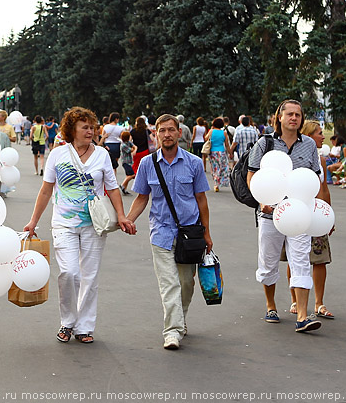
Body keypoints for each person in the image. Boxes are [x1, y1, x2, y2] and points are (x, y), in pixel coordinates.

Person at [23, 107, 135, 345]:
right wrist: (33, 221)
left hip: (94, 224)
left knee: (90, 276)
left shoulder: (102, 155)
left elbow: (112, 187)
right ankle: (67, 321)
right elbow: (46, 190)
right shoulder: (58, 154)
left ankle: (84, 326)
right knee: (69, 273)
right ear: (72, 129)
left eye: (92, 127)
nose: (90, 131)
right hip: (63, 223)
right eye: (85, 127)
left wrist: (122, 216)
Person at [126, 114, 212, 350]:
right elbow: (142, 197)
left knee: (186, 283)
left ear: (179, 132)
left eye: (171, 130)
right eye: (162, 131)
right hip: (161, 232)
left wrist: (206, 233)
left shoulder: (193, 163)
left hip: (190, 234)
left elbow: (201, 200)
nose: (166, 134)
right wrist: (128, 219)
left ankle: (180, 320)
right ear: (155, 134)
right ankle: (172, 331)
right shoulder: (147, 164)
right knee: (169, 284)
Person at [247, 99, 325, 333]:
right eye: (289, 114)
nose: (294, 118)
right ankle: (271, 305)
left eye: (298, 115)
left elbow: (315, 179)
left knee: (301, 262)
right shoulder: (265, 143)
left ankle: (302, 315)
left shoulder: (309, 145)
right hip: (270, 214)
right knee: (268, 262)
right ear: (279, 117)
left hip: (299, 214)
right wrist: (263, 201)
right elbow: (252, 176)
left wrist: (318, 206)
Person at [283, 120, 335, 320]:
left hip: (317, 215)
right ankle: (296, 299)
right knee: (296, 258)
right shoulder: (295, 159)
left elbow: (324, 189)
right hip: (297, 214)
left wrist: (327, 215)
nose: (323, 137)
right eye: (319, 133)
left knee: (320, 259)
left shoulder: (321, 161)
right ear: (308, 136)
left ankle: (319, 303)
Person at [206, 117, 232, 191]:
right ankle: (220, 181)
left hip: (212, 152)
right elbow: (227, 145)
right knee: (221, 167)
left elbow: (205, 138)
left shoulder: (211, 131)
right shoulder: (224, 133)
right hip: (222, 152)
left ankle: (215, 184)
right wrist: (230, 153)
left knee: (214, 167)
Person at [119, 131, 137, 195]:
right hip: (125, 162)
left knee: (128, 175)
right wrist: (134, 149)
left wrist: (134, 148)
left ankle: (124, 189)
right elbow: (131, 150)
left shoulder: (128, 142)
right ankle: (122, 185)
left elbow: (134, 146)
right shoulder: (123, 145)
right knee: (132, 175)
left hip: (129, 161)